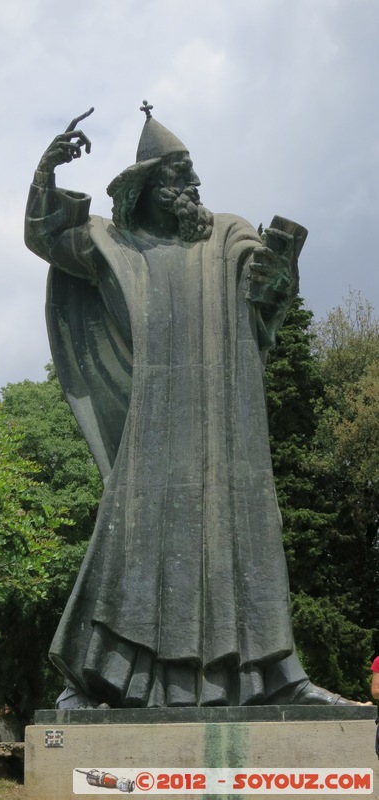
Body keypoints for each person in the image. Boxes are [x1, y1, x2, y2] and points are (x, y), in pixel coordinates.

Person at [25, 103, 357, 709]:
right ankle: (100, 679)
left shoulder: (229, 235)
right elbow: (49, 237)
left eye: (192, 171)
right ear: (147, 186)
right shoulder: (114, 243)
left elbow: (269, 295)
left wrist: (279, 274)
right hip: (154, 422)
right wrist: (45, 174)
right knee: (133, 541)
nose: (193, 183)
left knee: (246, 534)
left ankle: (277, 677)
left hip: (227, 421)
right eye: (178, 173)